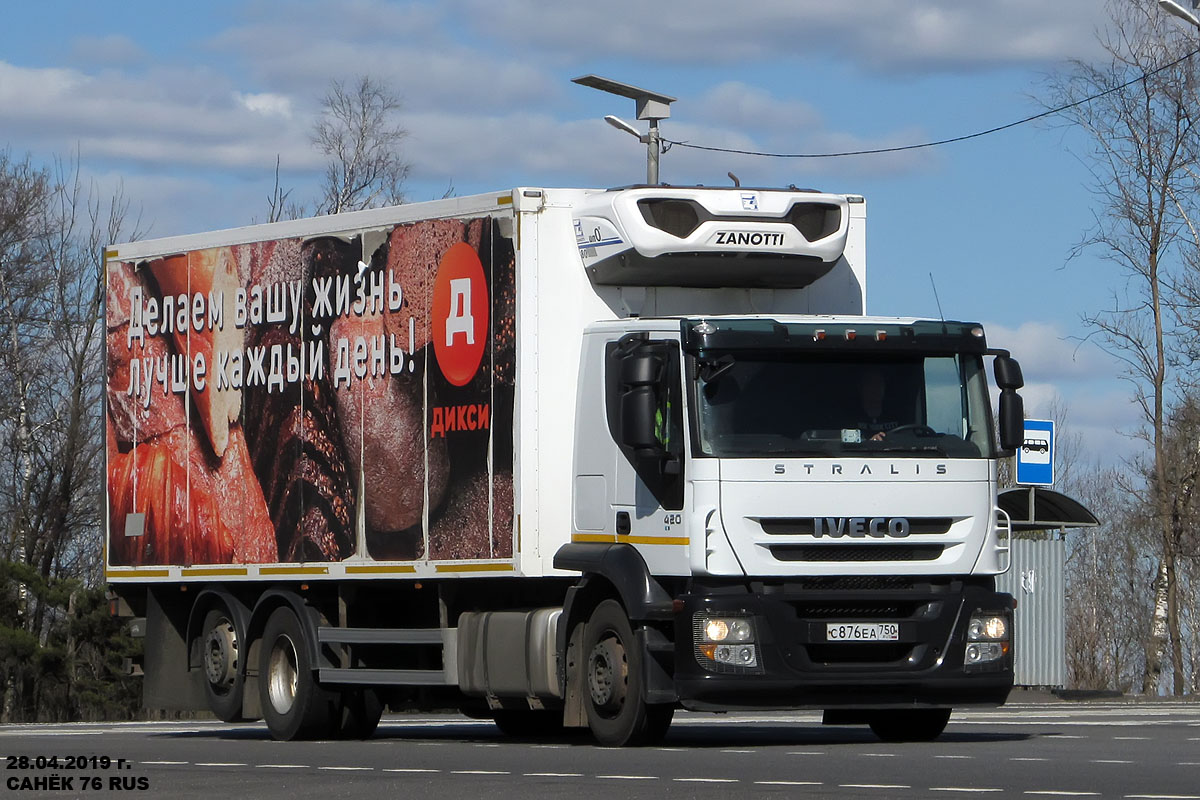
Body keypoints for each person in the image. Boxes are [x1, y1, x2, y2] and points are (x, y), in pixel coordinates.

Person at [854, 368, 900, 441]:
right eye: (870, 383)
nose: (875, 387)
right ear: (861, 387)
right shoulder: (852, 420)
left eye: (879, 383)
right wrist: (872, 443)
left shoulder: (896, 416)